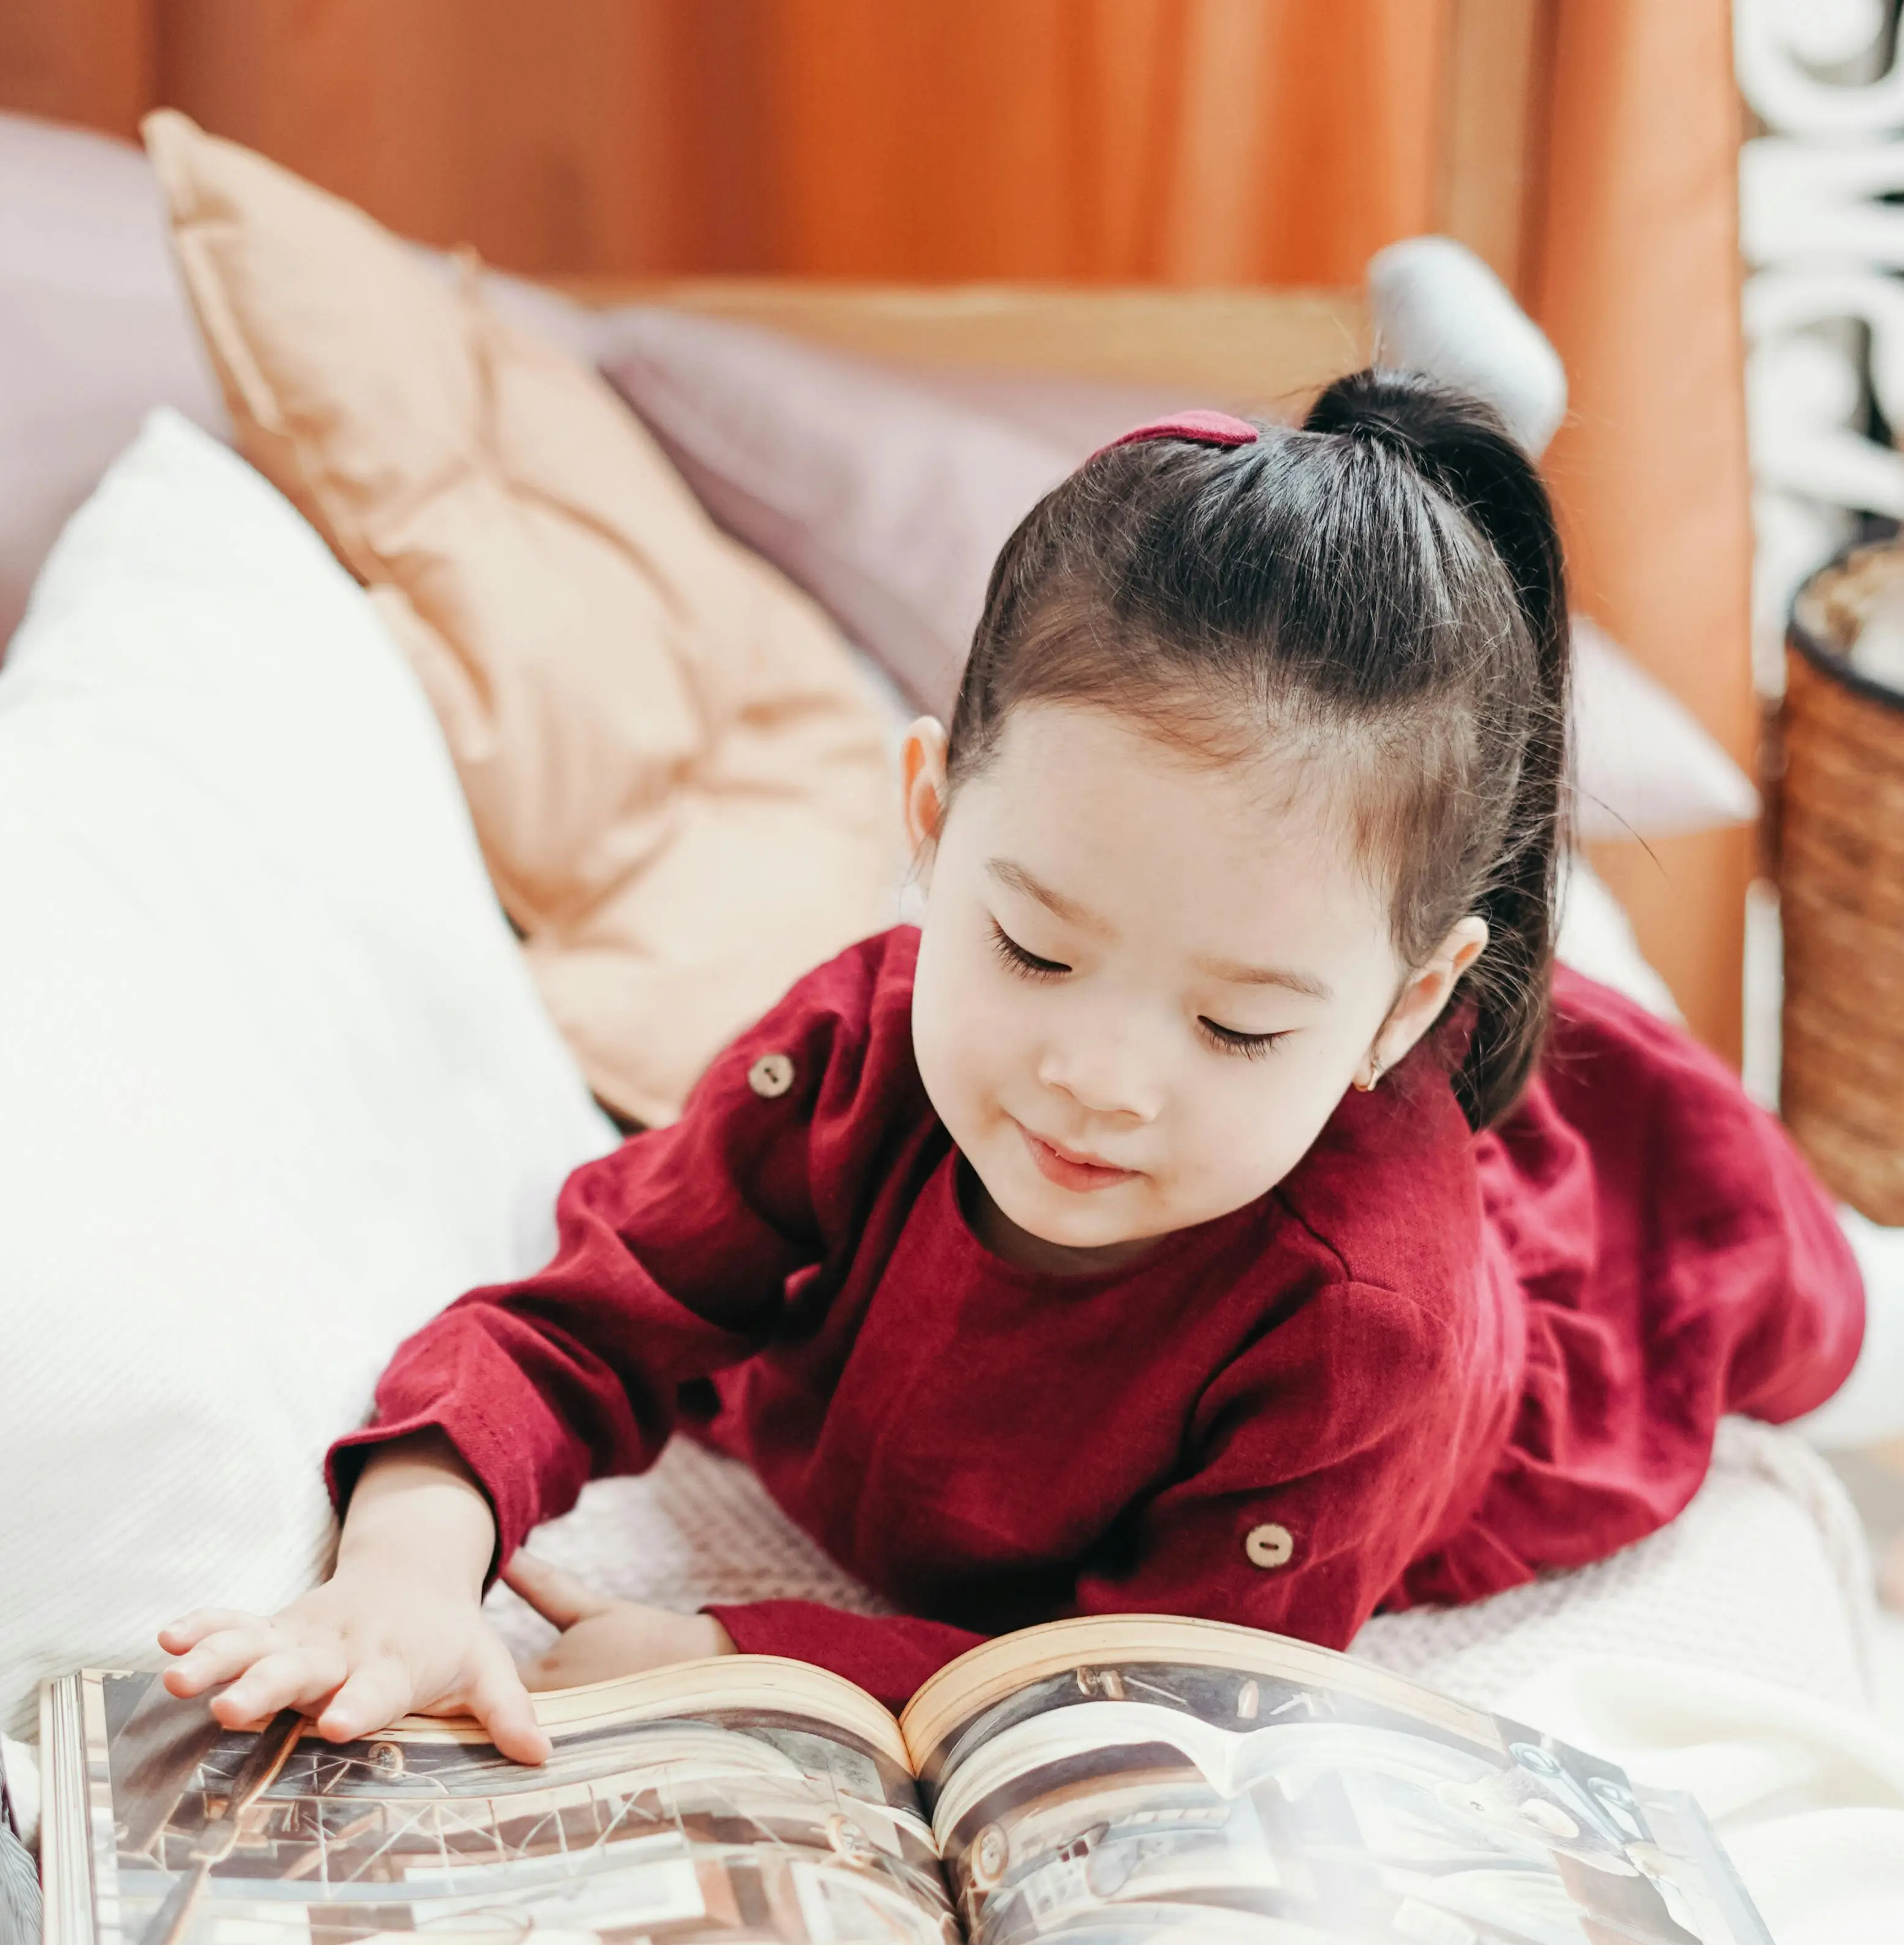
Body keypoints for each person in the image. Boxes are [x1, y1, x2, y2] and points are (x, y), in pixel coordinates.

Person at [161, 374, 1865, 1767]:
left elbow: (1171, 1680)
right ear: (927, 821)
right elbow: (582, 1316)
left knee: (1798, 1311)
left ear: (1404, 1012)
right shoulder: (861, 1039)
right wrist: (407, 1554)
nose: (1100, 1080)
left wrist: (737, 1652)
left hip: (1543, 1296)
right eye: (1035, 951)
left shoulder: (1369, 1319)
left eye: (1239, 1026)